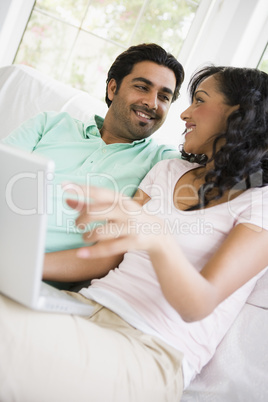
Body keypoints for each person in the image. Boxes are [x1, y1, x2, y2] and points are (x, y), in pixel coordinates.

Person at [1, 65, 268, 401]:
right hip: (82, 307)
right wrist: (18, 265)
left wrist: (158, 238)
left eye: (199, 100)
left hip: (150, 348)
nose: (184, 113)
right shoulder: (169, 170)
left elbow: (198, 305)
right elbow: (107, 255)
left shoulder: (260, 201)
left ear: (241, 116)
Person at [2, 43, 184, 288]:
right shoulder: (50, 124)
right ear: (112, 88)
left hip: (40, 282)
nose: (152, 103)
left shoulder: (163, 163)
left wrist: (18, 265)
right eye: (142, 87)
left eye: (164, 97)